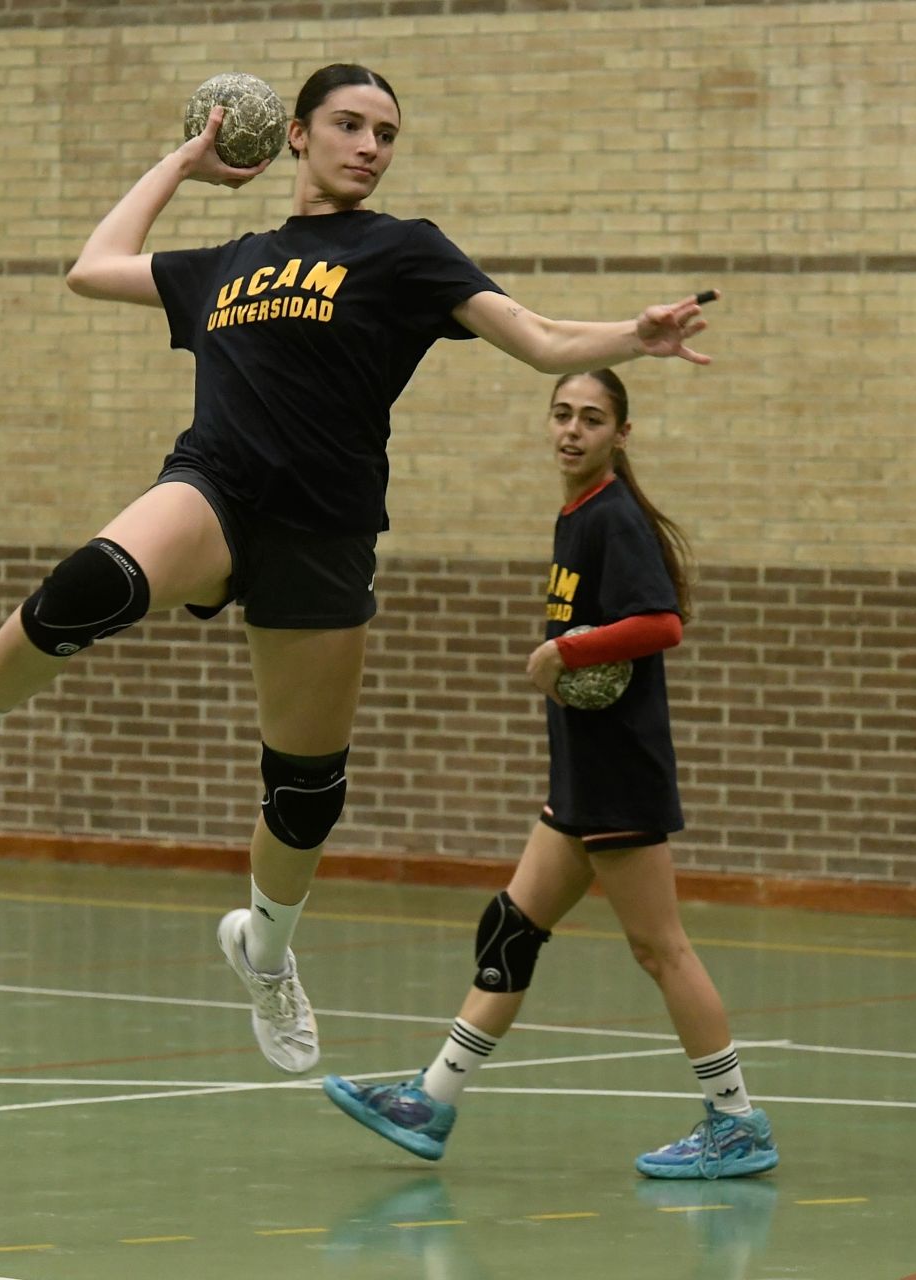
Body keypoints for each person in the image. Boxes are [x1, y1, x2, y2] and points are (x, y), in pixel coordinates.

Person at [0, 65, 718, 1078]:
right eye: (348, 125)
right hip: (218, 487)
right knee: (93, 582)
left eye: (386, 133)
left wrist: (635, 335)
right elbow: (92, 264)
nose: (369, 146)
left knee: (305, 791)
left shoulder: (403, 252)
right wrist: (186, 161)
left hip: (322, 531)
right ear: (296, 134)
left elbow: (542, 339)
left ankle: (266, 950)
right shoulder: (230, 262)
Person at [322, 369, 778, 1180]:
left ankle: (737, 1121)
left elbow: (661, 622)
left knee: (660, 948)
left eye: (592, 419)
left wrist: (564, 650)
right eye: (562, 414)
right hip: (579, 770)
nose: (572, 430)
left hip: (618, 771)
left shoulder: (613, 518)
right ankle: (432, 1100)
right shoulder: (575, 515)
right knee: (512, 928)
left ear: (620, 435)